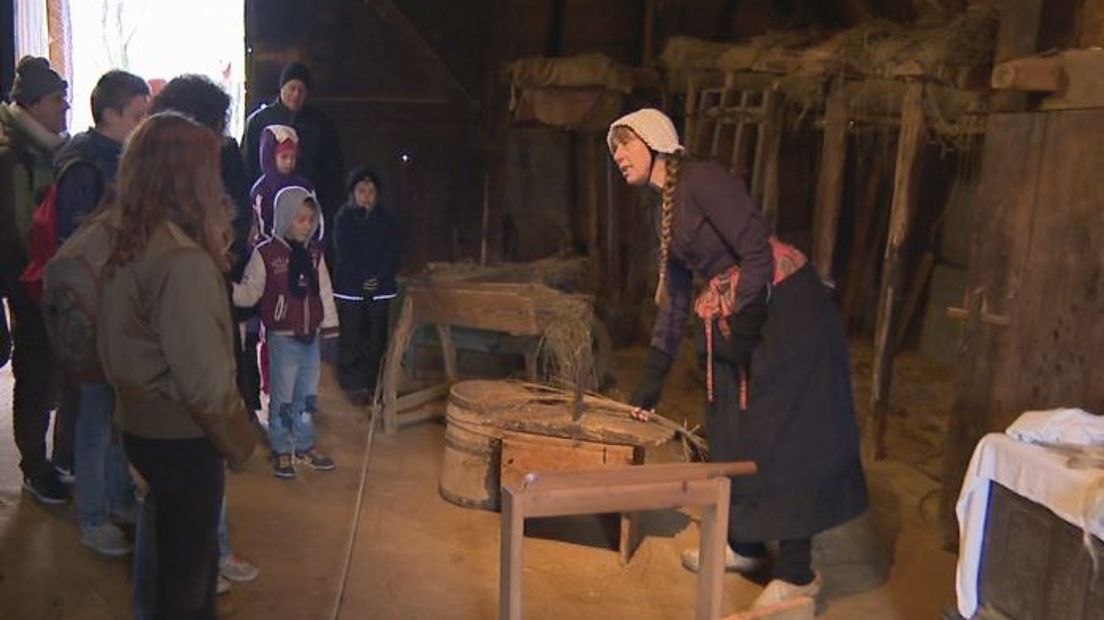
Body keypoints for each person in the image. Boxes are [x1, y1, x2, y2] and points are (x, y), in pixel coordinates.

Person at [608, 108, 868, 613]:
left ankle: (797, 573)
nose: (617, 156)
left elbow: (754, 245)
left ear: (655, 141)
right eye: (613, 149)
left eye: (624, 143)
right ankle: (747, 543)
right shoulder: (662, 211)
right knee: (731, 431)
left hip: (784, 312)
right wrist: (650, 384)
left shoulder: (702, 178)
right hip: (740, 320)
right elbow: (677, 302)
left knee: (783, 435)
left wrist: (746, 325)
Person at [97, 111, 255, 619]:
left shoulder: (127, 237)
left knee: (161, 554)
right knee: (188, 579)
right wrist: (239, 441)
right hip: (181, 434)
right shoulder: (180, 260)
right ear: (189, 179)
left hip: (140, 421)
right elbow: (205, 385)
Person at [146, 73, 261, 596]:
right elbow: (203, 372)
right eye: (214, 129)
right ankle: (203, 563)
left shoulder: (161, 196)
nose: (220, 139)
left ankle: (209, 552)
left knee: (174, 493)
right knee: (190, 477)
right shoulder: (173, 234)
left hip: (170, 370)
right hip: (175, 376)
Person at [53, 69, 149, 556]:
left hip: (115, 310)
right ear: (110, 115)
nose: (143, 123)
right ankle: (92, 515)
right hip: (91, 313)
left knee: (113, 411)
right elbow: (76, 256)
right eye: (137, 114)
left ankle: (117, 497)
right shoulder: (87, 169)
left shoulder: (114, 160)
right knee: (94, 415)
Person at [0, 55, 73, 504]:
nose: (64, 108)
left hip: (43, 283)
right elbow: (16, 234)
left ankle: (48, 462)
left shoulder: (45, 150)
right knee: (34, 373)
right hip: (25, 286)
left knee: (49, 373)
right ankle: (34, 466)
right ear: (31, 104)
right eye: (56, 100)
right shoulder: (12, 156)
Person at [233, 186, 338, 479]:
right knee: (282, 396)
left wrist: (330, 330)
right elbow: (251, 293)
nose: (306, 225)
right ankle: (281, 447)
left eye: (310, 219)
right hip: (282, 337)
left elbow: (325, 292)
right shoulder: (266, 254)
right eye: (300, 219)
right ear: (284, 217)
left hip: (311, 337)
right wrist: (225, 288)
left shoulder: (315, 255)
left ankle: (304, 444)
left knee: (307, 395)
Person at [242, 61, 344, 245]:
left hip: (308, 205)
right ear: (282, 88)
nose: (296, 95)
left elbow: (333, 168)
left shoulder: (321, 124)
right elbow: (248, 165)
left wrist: (327, 207)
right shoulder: (259, 121)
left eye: (301, 90)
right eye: (292, 88)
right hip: (269, 202)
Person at [333, 166, 399, 404]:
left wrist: (377, 278)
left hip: (380, 289)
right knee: (352, 335)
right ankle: (352, 385)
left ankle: (373, 384)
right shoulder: (344, 219)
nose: (367, 196)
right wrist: (361, 278)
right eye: (362, 191)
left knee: (375, 338)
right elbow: (344, 253)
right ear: (353, 193)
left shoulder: (387, 222)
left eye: (371, 191)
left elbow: (391, 253)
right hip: (351, 288)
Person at [249, 124, 314, 241]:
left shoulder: (304, 187)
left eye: (293, 157)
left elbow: (314, 220)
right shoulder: (261, 189)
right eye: (284, 157)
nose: (289, 162)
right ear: (270, 157)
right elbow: (260, 225)